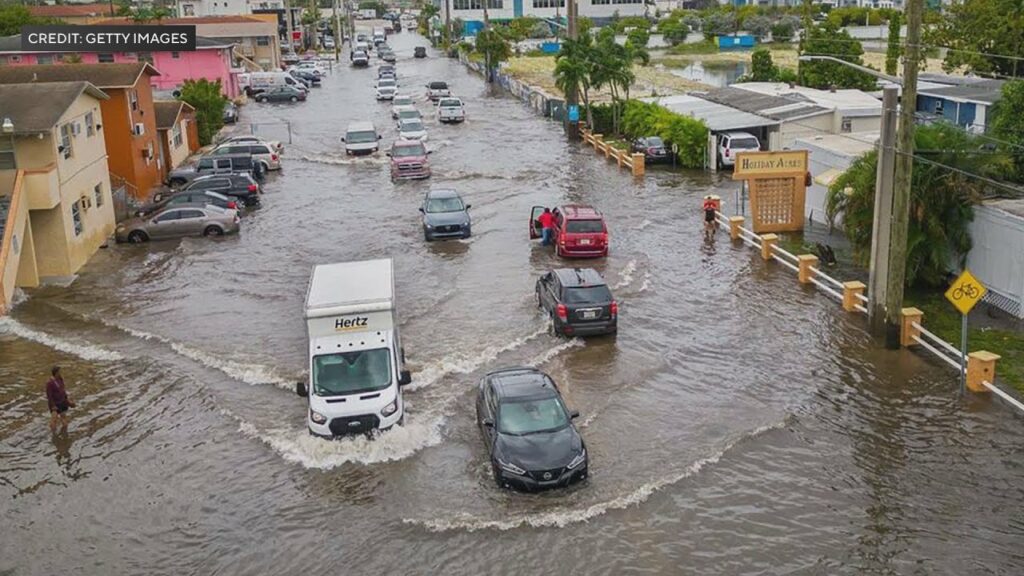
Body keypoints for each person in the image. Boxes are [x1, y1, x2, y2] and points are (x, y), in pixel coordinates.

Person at [45, 366, 74, 433]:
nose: (61, 373)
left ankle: (64, 432)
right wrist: (53, 406)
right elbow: (49, 396)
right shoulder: (50, 383)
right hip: (55, 404)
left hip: (62, 401)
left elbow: (63, 390)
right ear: (56, 373)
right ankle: (53, 433)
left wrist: (67, 400)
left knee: (63, 417)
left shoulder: (60, 379)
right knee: (54, 419)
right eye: (59, 372)